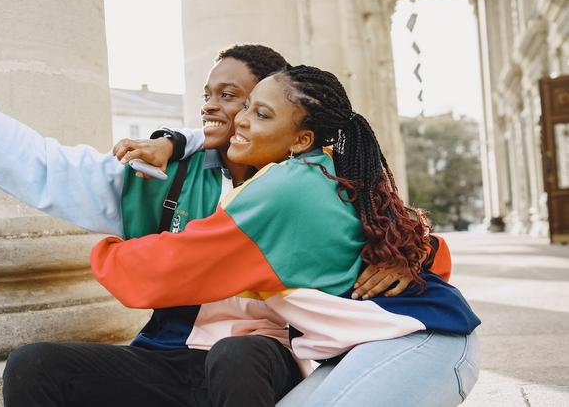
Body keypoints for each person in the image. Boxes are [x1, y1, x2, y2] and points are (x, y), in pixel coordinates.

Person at [0, 33, 417, 405]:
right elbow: (47, 167)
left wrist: (407, 259)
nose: (214, 109)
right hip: (167, 355)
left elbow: (390, 222)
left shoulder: (311, 187)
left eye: (236, 99)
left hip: (260, 361)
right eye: (208, 96)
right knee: (36, 365)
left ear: (275, 109)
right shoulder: (163, 173)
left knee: (236, 356)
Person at [90, 65, 481, 407]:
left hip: (423, 342)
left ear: (300, 140)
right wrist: (405, 261)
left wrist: (106, 244)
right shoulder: (327, 172)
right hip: (373, 349)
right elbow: (431, 249)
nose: (241, 120)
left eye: (261, 114)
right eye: (246, 107)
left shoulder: (285, 187)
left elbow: (163, 272)